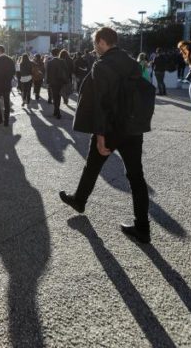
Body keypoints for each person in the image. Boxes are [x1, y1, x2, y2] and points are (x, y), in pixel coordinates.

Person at [59, 27, 152, 244]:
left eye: (94, 43)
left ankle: (80, 200)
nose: (94, 48)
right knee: (136, 177)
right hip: (133, 126)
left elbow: (101, 104)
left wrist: (100, 136)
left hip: (111, 127)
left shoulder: (102, 65)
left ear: (102, 42)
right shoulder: (132, 62)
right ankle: (143, 228)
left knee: (92, 166)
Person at [0, 45, 15, 126]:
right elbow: (13, 72)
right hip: (7, 85)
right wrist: (8, 79)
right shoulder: (10, 59)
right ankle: (6, 121)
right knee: (6, 103)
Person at [45, 49, 68, 119]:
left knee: (55, 97)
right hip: (60, 82)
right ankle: (56, 111)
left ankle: (56, 111)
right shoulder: (62, 61)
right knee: (59, 96)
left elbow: (47, 73)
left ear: (52, 54)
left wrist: (47, 82)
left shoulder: (49, 62)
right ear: (58, 53)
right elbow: (66, 71)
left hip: (52, 82)